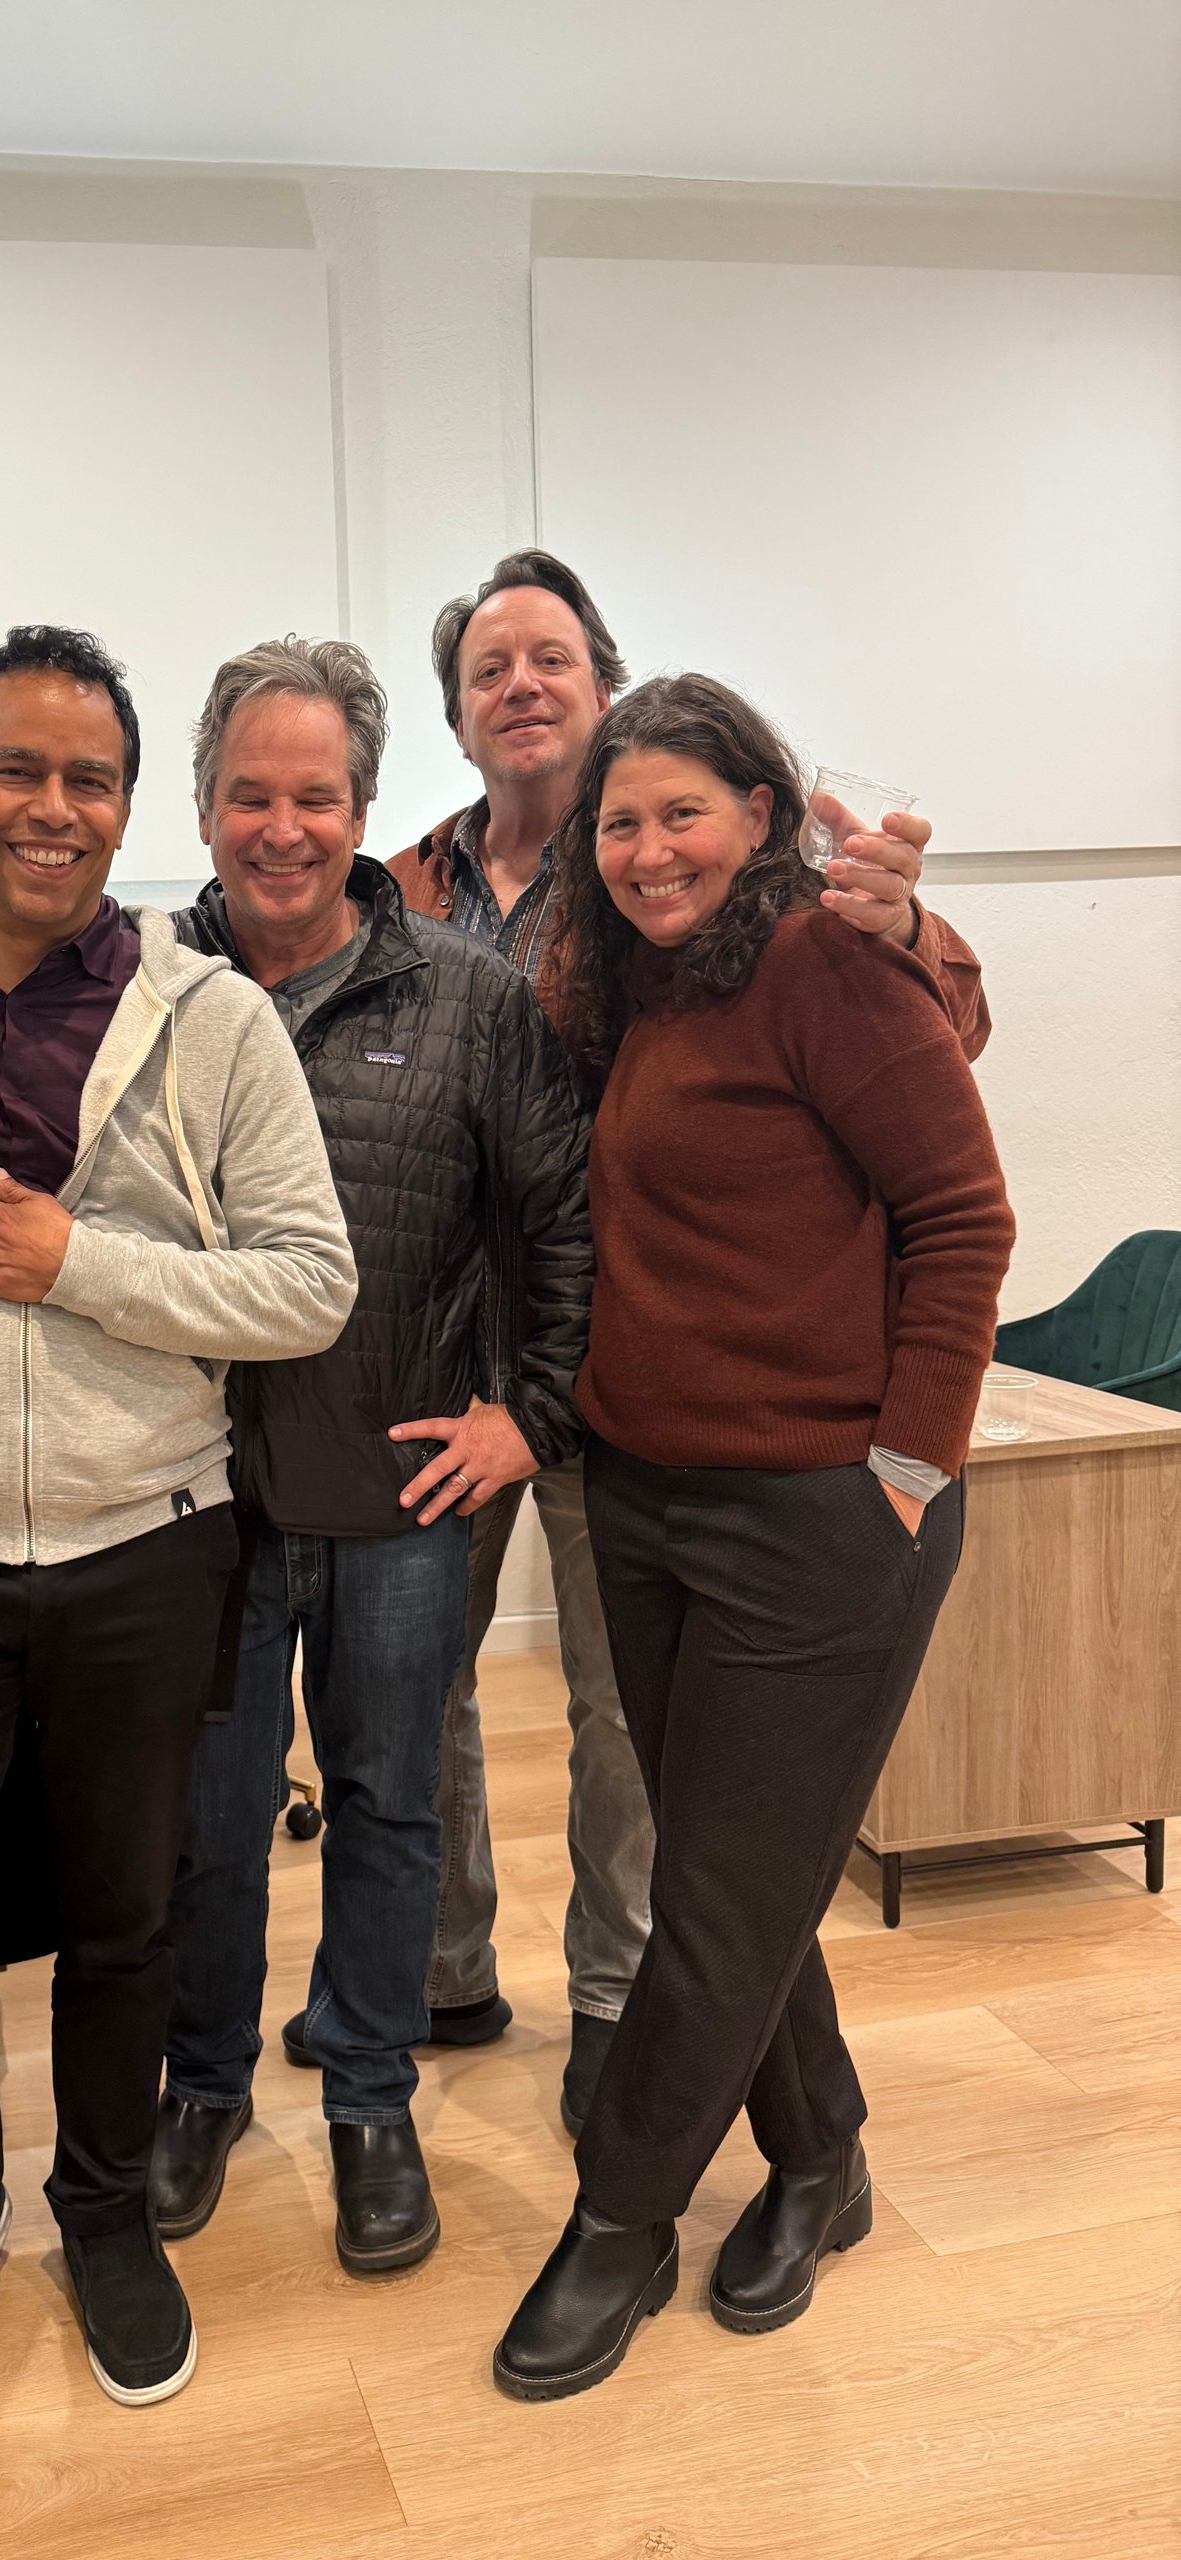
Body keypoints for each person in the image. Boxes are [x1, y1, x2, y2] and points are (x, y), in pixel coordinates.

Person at [388, 549, 992, 2131]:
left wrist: (908, 927)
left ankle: (621, 1999)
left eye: (550, 659)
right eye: (487, 668)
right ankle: (436, 1973)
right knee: (419, 1689)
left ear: (603, 687)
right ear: (458, 716)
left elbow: (939, 1060)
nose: (521, 685)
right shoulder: (404, 891)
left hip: (624, 1368)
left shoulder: (728, 892)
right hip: (447, 1361)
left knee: (628, 1724)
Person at [0, 624, 355, 2419]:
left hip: (147, 1540)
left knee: (132, 1919)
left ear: (131, 809)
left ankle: (106, 2213)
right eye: (18, 770)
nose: (52, 808)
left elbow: (309, 1287)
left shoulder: (214, 1022)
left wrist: (82, 1264)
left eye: (89, 779)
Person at [491, 675, 1014, 2401]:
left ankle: (618, 2218)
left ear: (764, 816)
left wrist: (909, 1470)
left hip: (819, 1515)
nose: (649, 851)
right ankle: (821, 2158)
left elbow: (965, 1217)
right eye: (620, 825)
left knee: (713, 1899)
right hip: (646, 1499)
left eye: (683, 815)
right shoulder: (623, 986)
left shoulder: (825, 963)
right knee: (744, 1868)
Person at [148, 637, 591, 2272]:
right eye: (250, 794)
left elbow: (562, 1228)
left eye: (317, 796)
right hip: (191, 1500)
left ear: (364, 807)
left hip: (402, 1495)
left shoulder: (471, 1001)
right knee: (203, 1821)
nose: (284, 828)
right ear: (203, 805)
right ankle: (202, 2087)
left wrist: (530, 1414)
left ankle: (370, 2095)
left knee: (393, 1806)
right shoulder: (136, 994)